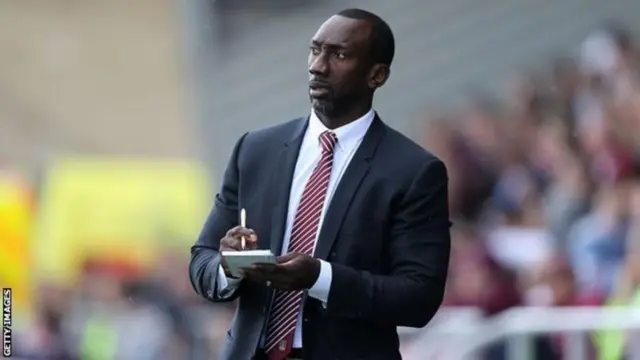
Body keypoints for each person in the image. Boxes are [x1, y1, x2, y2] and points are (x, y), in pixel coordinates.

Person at [189, 8, 451, 360]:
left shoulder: (414, 171)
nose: (318, 66)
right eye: (315, 50)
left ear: (377, 75)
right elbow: (201, 260)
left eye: (339, 54)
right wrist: (229, 266)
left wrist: (320, 278)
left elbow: (418, 298)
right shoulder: (255, 150)